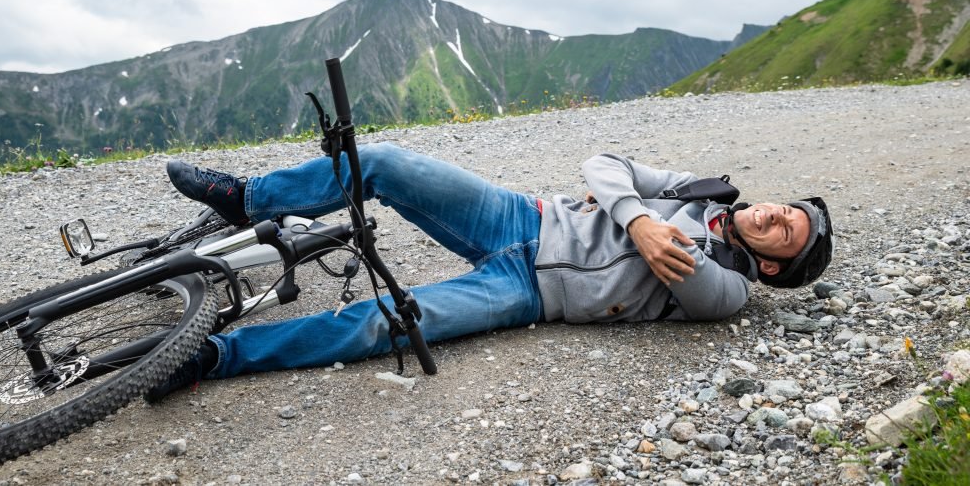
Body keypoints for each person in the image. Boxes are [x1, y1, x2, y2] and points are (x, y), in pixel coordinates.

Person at [146, 143, 832, 401]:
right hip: (520, 216)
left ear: (772, 265)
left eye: (784, 229)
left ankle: (212, 356)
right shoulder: (704, 189)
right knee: (387, 164)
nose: (772, 212)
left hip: (529, 291)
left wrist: (634, 211)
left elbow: (689, 277)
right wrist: (639, 217)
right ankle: (248, 198)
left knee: (383, 324)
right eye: (784, 207)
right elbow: (600, 162)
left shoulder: (732, 290)